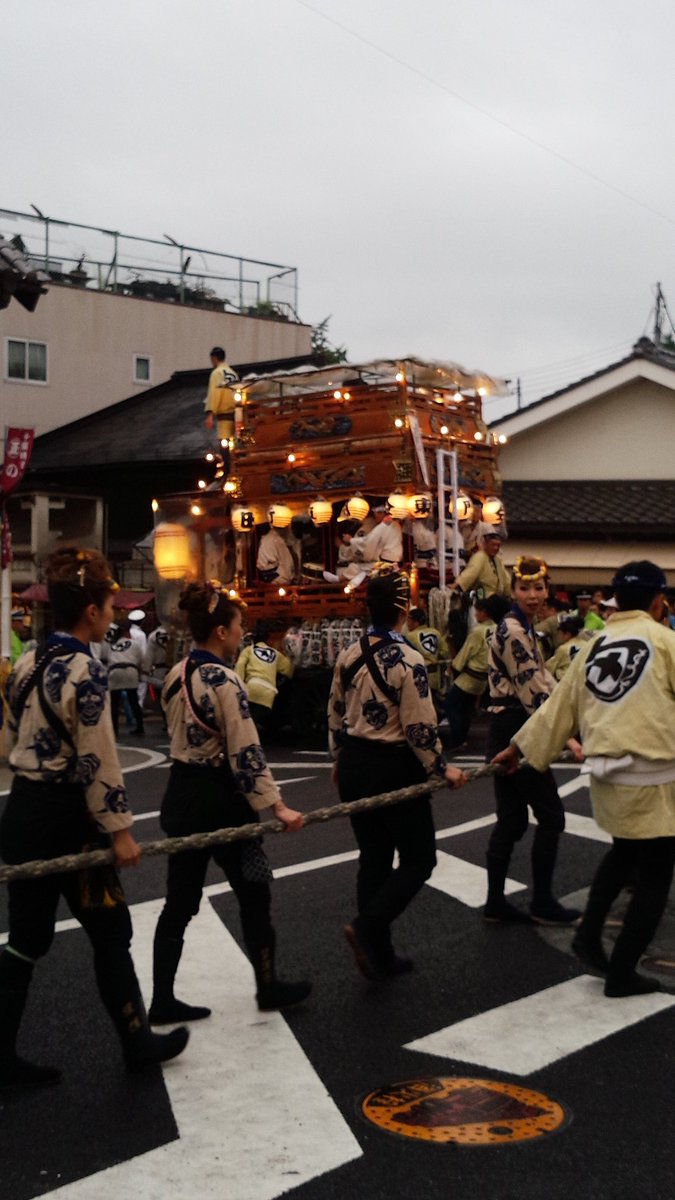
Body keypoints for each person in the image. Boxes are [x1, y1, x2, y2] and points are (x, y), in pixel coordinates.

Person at [0, 546, 188, 1087]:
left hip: (23, 811)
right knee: (110, 931)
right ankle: (136, 1041)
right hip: (70, 822)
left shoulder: (28, 662)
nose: (112, 612)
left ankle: (3, 1057)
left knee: (25, 938)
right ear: (91, 611)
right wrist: (121, 831)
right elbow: (98, 757)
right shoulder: (85, 668)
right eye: (109, 604)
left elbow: (15, 737)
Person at [494, 560, 675, 998]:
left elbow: (558, 707)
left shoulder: (595, 644)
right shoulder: (667, 641)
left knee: (624, 853)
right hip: (656, 777)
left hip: (607, 779)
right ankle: (622, 972)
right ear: (657, 601)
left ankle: (589, 935)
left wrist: (519, 748)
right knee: (654, 875)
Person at [149, 582, 311, 1023]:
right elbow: (245, 749)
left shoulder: (175, 673)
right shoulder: (224, 679)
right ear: (221, 631)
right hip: (221, 798)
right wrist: (275, 806)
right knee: (254, 893)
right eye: (239, 626)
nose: (243, 633)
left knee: (178, 903)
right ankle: (268, 984)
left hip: (182, 794)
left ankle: (162, 997)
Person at [328, 563, 467, 979]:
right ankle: (368, 929)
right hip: (393, 768)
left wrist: (337, 758)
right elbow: (420, 727)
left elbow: (334, 712)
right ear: (404, 608)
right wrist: (442, 768)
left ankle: (379, 953)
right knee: (419, 859)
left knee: (373, 858)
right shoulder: (408, 658)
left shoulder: (349, 653)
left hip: (354, 764)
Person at [483, 555, 582, 925]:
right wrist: (568, 737)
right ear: (513, 591)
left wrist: (568, 726)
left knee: (511, 820)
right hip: (517, 728)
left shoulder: (524, 628)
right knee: (551, 817)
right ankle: (541, 902)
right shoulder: (513, 630)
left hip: (510, 726)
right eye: (524, 588)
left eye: (539, 587)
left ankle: (496, 902)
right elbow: (534, 692)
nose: (533, 595)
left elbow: (544, 681)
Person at [444, 594, 510, 749]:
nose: (475, 614)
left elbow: (466, 653)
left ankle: (457, 738)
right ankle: (461, 739)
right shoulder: (498, 628)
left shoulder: (478, 631)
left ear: (485, 613)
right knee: (465, 708)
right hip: (483, 678)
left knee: (450, 704)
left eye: (478, 611)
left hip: (470, 676)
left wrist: (454, 667)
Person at [235, 622, 293, 739]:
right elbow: (288, 669)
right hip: (268, 693)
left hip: (251, 689)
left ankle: (247, 746)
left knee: (247, 722)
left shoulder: (249, 650)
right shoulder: (275, 653)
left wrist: (237, 687)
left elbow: (239, 669)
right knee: (254, 720)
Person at [101, 618, 145, 738]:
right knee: (133, 701)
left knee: (114, 704)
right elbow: (141, 660)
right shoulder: (134, 644)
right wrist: (141, 673)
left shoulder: (112, 645)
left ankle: (114, 730)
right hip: (131, 671)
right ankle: (140, 728)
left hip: (115, 671)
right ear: (127, 632)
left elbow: (107, 659)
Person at [453, 525, 511, 600]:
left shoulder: (498, 560)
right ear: (485, 544)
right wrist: (457, 584)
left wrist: (512, 593)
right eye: (493, 545)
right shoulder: (479, 557)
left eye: (498, 546)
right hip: (481, 594)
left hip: (496, 596)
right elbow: (470, 572)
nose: (496, 548)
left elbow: (506, 580)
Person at [404, 607, 449, 698]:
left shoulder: (409, 636)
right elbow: (444, 652)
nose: (407, 623)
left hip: (419, 677)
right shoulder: (436, 632)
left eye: (408, 620)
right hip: (435, 676)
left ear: (415, 622)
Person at [203, 346, 238, 442]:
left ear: (214, 358)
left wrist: (210, 415)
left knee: (224, 443)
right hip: (237, 414)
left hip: (224, 415)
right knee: (235, 443)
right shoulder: (233, 373)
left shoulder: (216, 373)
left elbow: (214, 394)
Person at [545, 615, 592, 681]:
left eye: (561, 633)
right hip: (584, 679)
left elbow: (549, 668)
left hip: (566, 681)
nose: (560, 636)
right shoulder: (586, 644)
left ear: (567, 634)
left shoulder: (563, 648)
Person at [128, 608, 148, 707]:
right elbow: (143, 652)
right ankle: (138, 707)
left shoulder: (128, 633)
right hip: (137, 665)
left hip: (127, 663)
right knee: (142, 686)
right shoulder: (141, 635)